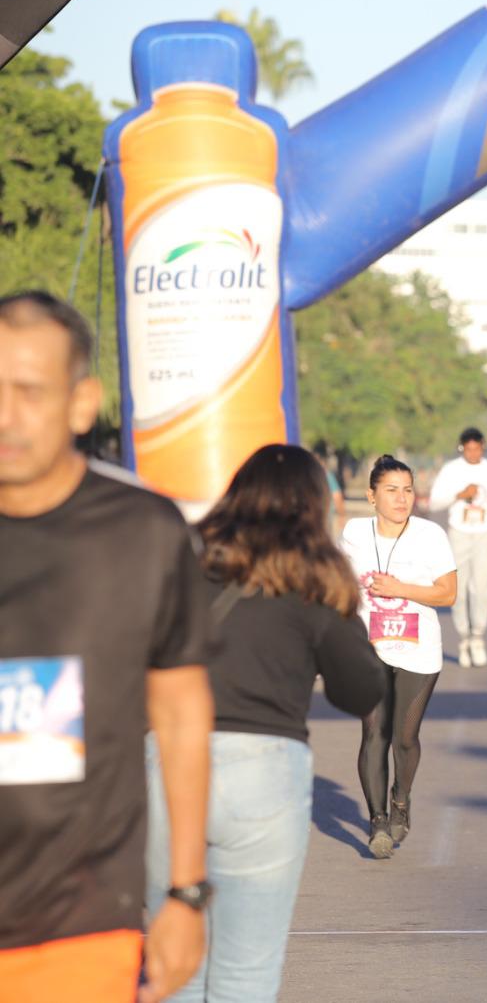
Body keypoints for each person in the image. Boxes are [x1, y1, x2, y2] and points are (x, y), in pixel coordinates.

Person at [0, 291, 212, 1003]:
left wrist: (186, 892)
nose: (6, 415)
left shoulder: (143, 534)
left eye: (29, 392)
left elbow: (182, 713)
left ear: (81, 402)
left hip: (79, 927)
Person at [151, 444, 385, 999]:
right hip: (264, 769)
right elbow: (360, 690)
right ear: (313, 506)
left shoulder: (177, 560)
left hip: (164, 763)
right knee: (245, 976)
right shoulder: (316, 578)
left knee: (174, 966)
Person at [342, 454, 458, 858]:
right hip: (369, 649)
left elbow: (448, 593)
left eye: (407, 490)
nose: (401, 498)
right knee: (375, 732)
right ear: (371, 495)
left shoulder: (430, 535)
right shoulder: (354, 533)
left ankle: (401, 799)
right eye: (391, 490)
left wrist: (399, 588)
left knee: (404, 738)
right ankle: (377, 822)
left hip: (418, 650)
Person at [428, 428, 487, 668]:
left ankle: (478, 636)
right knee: (460, 589)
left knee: (481, 587)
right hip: (460, 533)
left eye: (477, 448)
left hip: (486, 532)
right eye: (468, 449)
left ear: (483, 446)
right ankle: (463, 636)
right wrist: (460, 494)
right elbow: (434, 501)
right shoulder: (451, 470)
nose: (473, 453)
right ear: (461, 448)